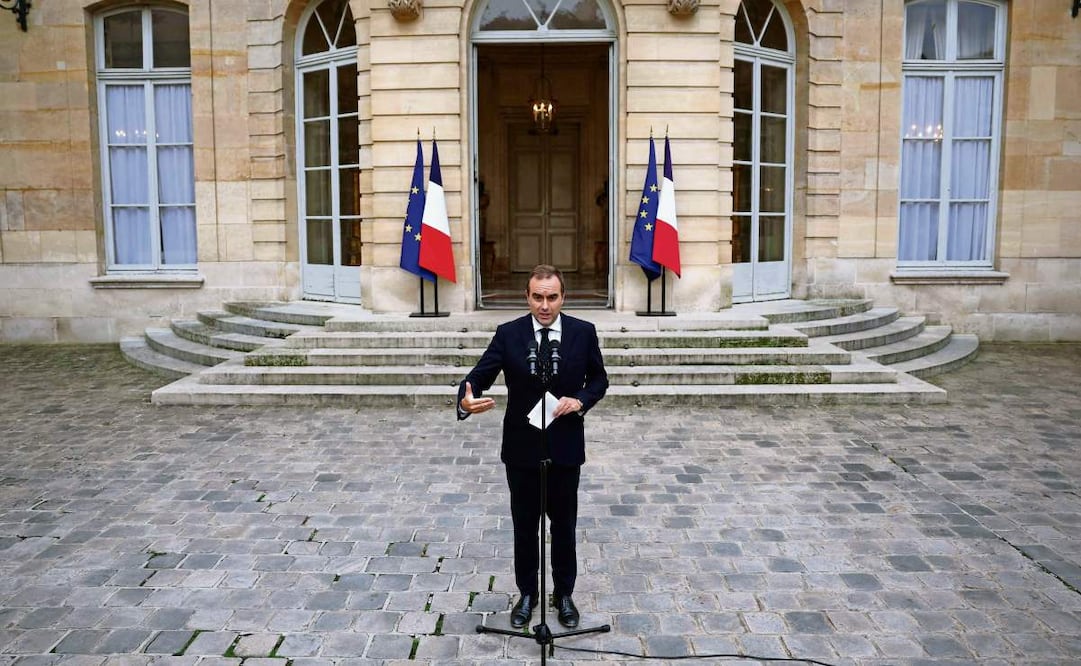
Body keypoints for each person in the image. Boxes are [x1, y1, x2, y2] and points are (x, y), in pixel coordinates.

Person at [457, 264, 608, 630]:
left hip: (565, 447)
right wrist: (465, 400)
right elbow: (478, 377)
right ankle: (528, 593)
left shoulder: (583, 332)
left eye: (552, 297)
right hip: (522, 449)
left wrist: (581, 400)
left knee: (565, 526)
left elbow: (600, 378)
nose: (544, 305)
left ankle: (565, 594)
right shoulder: (508, 334)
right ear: (527, 297)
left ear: (562, 297)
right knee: (525, 526)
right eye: (537, 297)